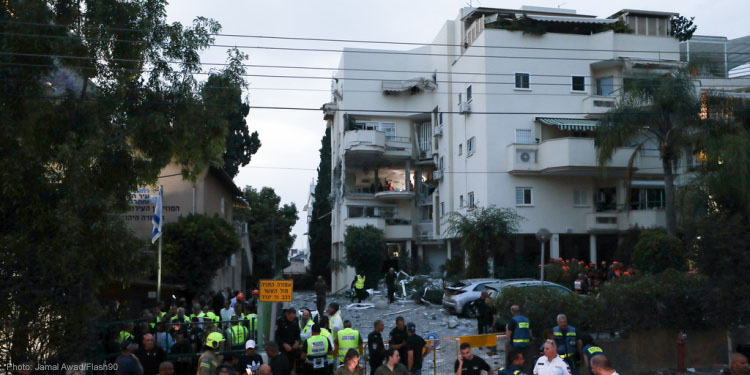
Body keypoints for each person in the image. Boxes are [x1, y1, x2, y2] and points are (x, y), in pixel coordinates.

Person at [506, 305, 533, 374]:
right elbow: (530, 334)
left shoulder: (513, 320)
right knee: (526, 364)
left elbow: (508, 335)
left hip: (515, 346)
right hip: (526, 346)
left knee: (513, 363)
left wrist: (507, 328)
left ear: (512, 311)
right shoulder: (526, 319)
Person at [275, 308, 301, 373]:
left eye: (293, 318)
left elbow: (298, 334)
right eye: (290, 318)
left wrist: (297, 342)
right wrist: (283, 344)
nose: (292, 320)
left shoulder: (295, 320)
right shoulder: (280, 321)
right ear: (287, 314)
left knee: (290, 367)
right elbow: (276, 336)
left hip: (292, 348)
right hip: (283, 348)